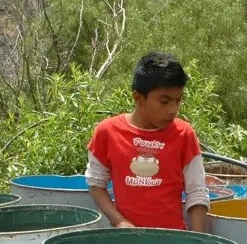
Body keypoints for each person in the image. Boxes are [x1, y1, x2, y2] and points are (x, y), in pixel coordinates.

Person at [86, 52, 211, 232]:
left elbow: (197, 192)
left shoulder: (184, 134)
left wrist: (198, 241)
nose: (173, 110)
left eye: (178, 100)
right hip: (127, 242)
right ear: (138, 98)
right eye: (164, 101)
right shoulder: (107, 132)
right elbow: (96, 184)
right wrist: (118, 220)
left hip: (172, 240)